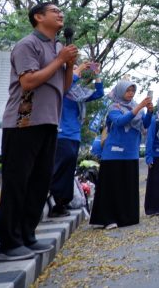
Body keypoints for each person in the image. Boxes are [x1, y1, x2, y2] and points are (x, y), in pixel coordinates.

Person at [0, 2, 77, 262]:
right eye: (54, 11)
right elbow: (28, 81)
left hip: (49, 121)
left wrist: (68, 65)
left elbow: (63, 88)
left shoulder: (56, 48)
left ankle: (27, 235)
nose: (60, 14)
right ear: (38, 17)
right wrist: (60, 60)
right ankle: (9, 243)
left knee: (40, 182)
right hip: (23, 123)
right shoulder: (27, 45)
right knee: (18, 182)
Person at [90, 81, 152, 229]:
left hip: (131, 152)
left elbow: (144, 125)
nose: (130, 93)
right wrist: (139, 108)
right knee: (113, 187)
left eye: (132, 90)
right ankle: (108, 219)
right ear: (120, 92)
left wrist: (149, 112)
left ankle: (127, 218)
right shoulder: (114, 107)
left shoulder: (137, 108)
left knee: (127, 187)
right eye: (127, 90)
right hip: (114, 154)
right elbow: (120, 121)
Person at [48, 60, 104, 217]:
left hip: (74, 135)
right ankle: (54, 201)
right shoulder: (61, 89)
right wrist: (78, 69)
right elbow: (68, 82)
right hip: (61, 133)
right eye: (70, 69)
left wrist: (97, 74)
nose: (75, 71)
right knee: (59, 169)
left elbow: (99, 93)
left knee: (68, 170)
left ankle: (62, 203)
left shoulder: (77, 93)